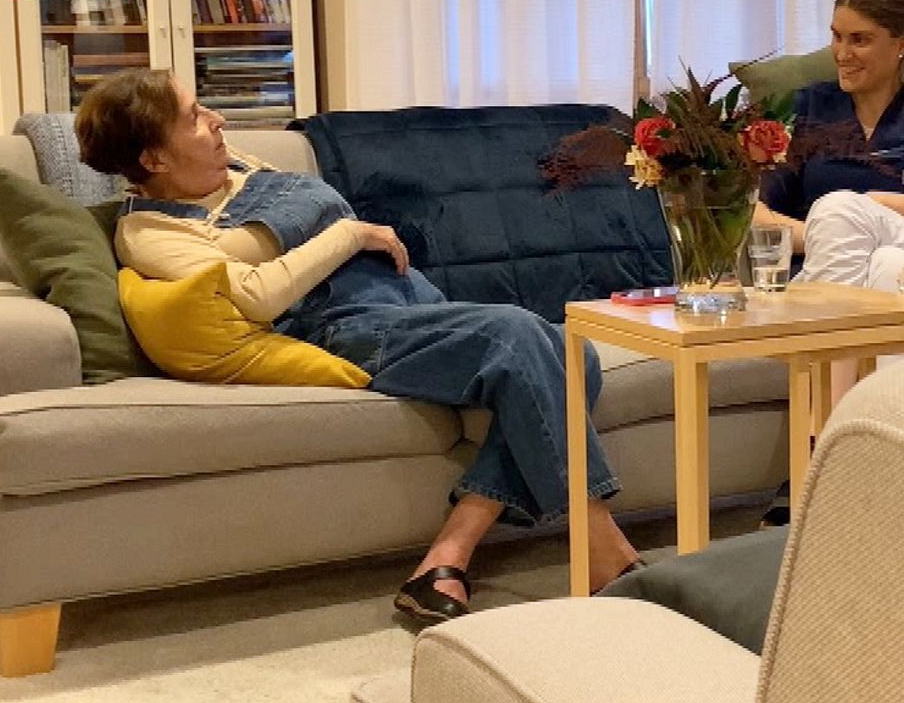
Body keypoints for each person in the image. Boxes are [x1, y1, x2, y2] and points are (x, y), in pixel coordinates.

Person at [74, 68, 642, 623]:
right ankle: (602, 546)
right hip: (343, 325)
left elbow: (252, 259)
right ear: (155, 159)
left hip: (410, 300)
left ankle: (447, 555)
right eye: (194, 117)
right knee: (517, 335)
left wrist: (257, 244)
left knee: (570, 350)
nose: (217, 119)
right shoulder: (150, 232)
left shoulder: (238, 169)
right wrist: (349, 233)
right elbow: (258, 296)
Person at [754, 0, 904, 525]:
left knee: (842, 207)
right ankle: (878, 472)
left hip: (855, 256)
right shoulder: (810, 109)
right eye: (836, 36)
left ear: (900, 43)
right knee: (883, 263)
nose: (841, 53)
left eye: (859, 40)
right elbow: (757, 215)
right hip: (860, 264)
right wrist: (828, 228)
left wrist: (870, 208)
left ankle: (818, 454)